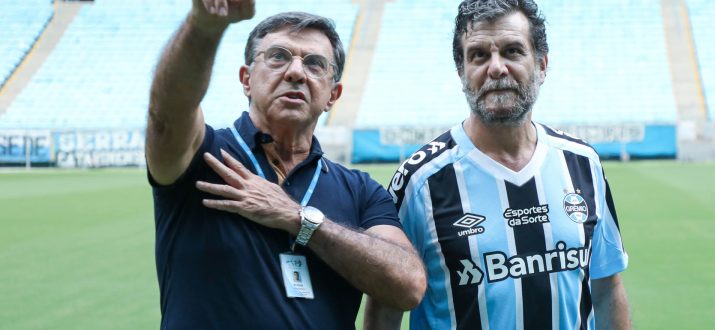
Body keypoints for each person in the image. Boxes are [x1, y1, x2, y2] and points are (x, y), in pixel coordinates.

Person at [146, 1, 425, 328]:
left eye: (315, 63)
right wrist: (205, 25)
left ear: (332, 95)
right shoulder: (202, 155)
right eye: (278, 56)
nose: (295, 72)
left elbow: (408, 285)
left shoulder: (361, 191)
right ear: (246, 79)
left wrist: (300, 220)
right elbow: (165, 117)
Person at [365, 0, 630, 329]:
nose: (496, 68)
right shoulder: (420, 181)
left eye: (512, 51)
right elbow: (385, 309)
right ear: (462, 71)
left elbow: (606, 288)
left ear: (542, 65)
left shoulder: (582, 163)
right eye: (478, 55)